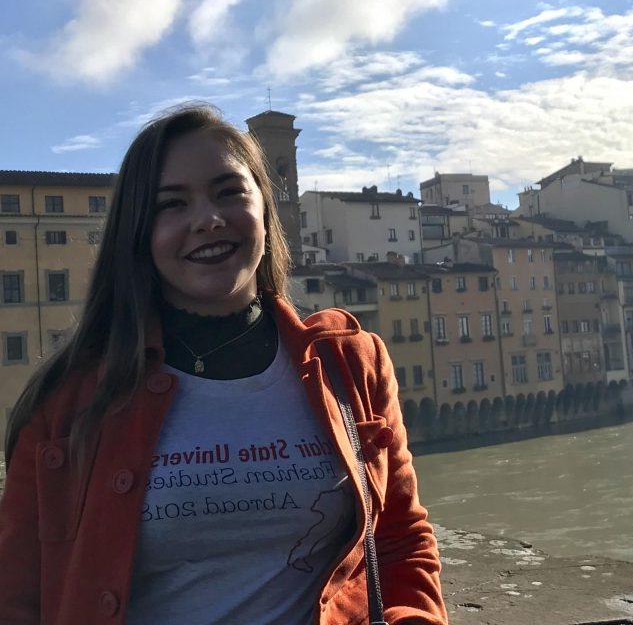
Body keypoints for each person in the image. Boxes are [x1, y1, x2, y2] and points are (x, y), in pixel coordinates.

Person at [0, 104, 447, 625]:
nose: (208, 219)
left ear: (264, 206)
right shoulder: (70, 396)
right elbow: (18, 590)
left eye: (229, 191)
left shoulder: (350, 362)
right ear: (139, 233)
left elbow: (400, 541)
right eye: (172, 204)